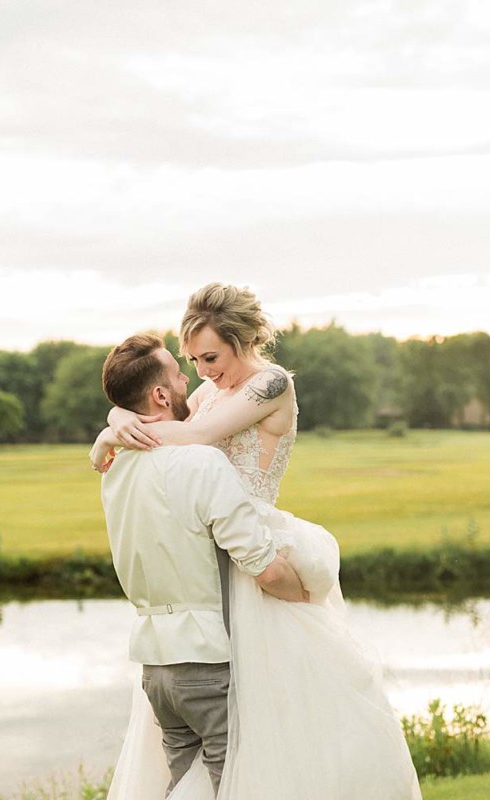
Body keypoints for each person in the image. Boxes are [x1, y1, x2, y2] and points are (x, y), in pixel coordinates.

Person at [92, 284, 422, 800]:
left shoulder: (271, 384)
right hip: (212, 556)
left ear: (242, 339)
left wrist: (120, 428)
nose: (201, 370)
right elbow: (166, 418)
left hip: (253, 543)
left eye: (211, 356)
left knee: (272, 721)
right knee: (215, 729)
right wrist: (116, 418)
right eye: (194, 360)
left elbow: (196, 439)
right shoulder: (207, 393)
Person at [98, 332, 309, 797]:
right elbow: (266, 567)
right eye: (180, 372)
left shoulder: (115, 468)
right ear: (159, 395)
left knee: (184, 787)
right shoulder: (202, 462)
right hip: (207, 658)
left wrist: (113, 422)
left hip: (154, 664)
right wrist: (308, 598)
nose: (192, 379)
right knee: (236, 785)